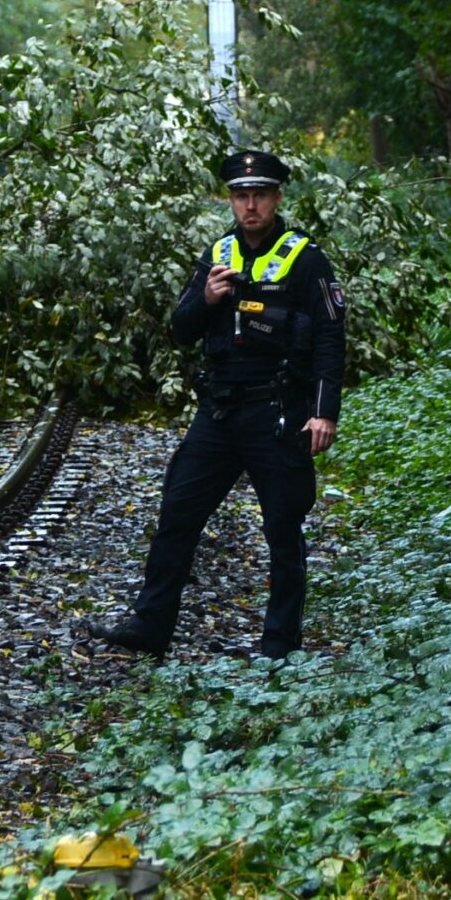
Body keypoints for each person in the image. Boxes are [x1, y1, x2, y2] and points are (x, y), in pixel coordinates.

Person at [81, 149, 345, 659]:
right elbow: (180, 330)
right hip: (220, 413)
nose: (251, 206)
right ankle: (149, 626)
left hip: (278, 412)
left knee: (282, 529)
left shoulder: (305, 257)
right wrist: (206, 298)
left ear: (276, 198)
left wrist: (323, 411)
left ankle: (279, 646)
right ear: (229, 201)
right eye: (242, 196)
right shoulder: (217, 253)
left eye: (260, 196)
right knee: (177, 512)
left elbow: (331, 339)